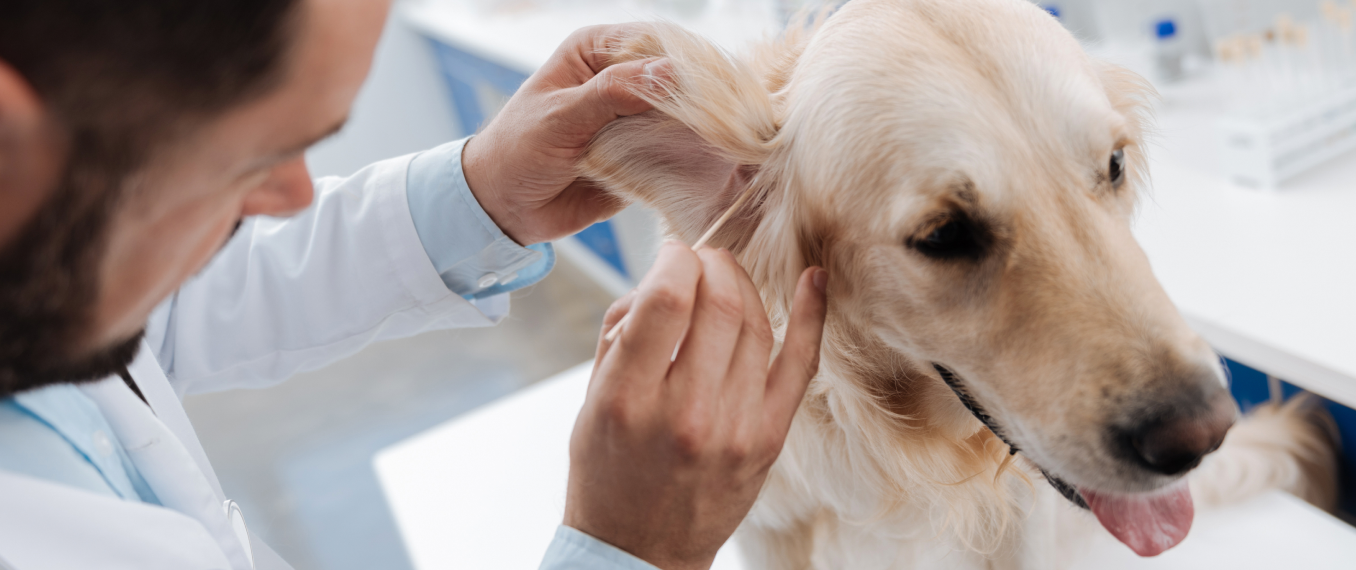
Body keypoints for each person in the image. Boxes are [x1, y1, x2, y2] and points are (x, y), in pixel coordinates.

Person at [0, 0, 828, 568]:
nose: (290, 194)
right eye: (251, 158)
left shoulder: (45, 262)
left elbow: (159, 301)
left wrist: (476, 196)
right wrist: (626, 548)